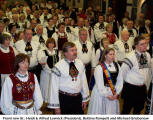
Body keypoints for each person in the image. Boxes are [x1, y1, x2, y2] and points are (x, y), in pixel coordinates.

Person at [48, 42, 89, 114]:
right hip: (64, 99)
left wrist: (84, 99)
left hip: (78, 98)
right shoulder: (58, 66)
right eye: (72, 50)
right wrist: (56, 107)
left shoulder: (80, 63)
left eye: (75, 50)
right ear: (65, 53)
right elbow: (53, 87)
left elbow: (83, 81)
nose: (75, 52)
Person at [119, 35, 152, 114]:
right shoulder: (130, 57)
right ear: (136, 46)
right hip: (131, 88)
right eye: (142, 44)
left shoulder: (147, 55)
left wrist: (146, 86)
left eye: (145, 43)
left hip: (142, 88)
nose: (145, 45)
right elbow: (122, 73)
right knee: (126, 110)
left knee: (138, 109)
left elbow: (147, 72)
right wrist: (121, 88)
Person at [88, 48, 123, 114]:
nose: (112, 56)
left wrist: (117, 93)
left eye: (113, 54)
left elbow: (120, 80)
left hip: (113, 92)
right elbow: (99, 84)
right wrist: (107, 95)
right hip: (101, 93)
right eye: (110, 54)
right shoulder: (99, 67)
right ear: (105, 55)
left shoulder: (117, 65)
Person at [38, 38, 61, 103]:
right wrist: (50, 71)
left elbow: (59, 62)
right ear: (47, 44)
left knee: (54, 87)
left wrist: (55, 70)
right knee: (47, 87)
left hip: (55, 73)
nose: (51, 45)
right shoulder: (43, 52)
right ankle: (47, 102)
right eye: (50, 43)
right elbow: (43, 62)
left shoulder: (57, 51)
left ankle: (53, 101)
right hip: (46, 73)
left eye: (52, 43)